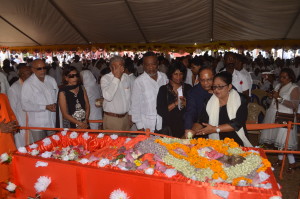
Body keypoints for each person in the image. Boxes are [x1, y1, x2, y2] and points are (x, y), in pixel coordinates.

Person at [185, 71, 252, 147]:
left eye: (220, 87)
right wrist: (193, 131)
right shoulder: (209, 101)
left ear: (229, 86)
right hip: (217, 144)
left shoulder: (240, 99)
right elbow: (201, 121)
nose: (216, 90)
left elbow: (237, 123)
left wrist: (215, 129)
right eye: (214, 87)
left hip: (237, 143)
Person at [259, 68, 299, 172]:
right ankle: (280, 160)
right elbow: (272, 101)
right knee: (278, 140)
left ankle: (292, 163)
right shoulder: (278, 85)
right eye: (281, 76)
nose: (282, 79)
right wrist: (271, 96)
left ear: (290, 77)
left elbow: (294, 105)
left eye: (284, 77)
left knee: (285, 141)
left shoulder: (294, 88)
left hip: (286, 116)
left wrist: (279, 98)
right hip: (274, 114)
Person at [21, 59, 58, 142]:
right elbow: (25, 105)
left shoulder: (51, 80)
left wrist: (55, 104)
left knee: (54, 147)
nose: (43, 70)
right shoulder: (28, 84)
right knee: (40, 148)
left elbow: (57, 96)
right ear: (32, 69)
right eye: (39, 68)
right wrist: (45, 107)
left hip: (52, 122)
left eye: (44, 68)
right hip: (38, 124)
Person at [130, 52, 168, 132]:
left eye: (153, 64)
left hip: (164, 121)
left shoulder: (164, 77)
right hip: (147, 125)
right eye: (147, 65)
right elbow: (135, 105)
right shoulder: (139, 81)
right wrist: (139, 126)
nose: (151, 67)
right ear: (143, 65)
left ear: (157, 64)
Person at [157, 62, 192, 137]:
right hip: (169, 128)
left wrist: (186, 104)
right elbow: (160, 111)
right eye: (175, 74)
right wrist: (176, 103)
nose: (179, 77)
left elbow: (194, 109)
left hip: (185, 127)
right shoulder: (163, 90)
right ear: (170, 74)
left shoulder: (188, 88)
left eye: (181, 74)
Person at [101, 56, 131, 131]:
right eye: (116, 67)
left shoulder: (126, 77)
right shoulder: (105, 78)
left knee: (126, 141)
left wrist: (130, 114)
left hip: (125, 118)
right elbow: (108, 96)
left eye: (120, 66)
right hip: (112, 119)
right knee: (113, 142)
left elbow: (129, 98)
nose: (119, 69)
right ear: (111, 68)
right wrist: (116, 78)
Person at [8, 65, 33, 147]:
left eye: (30, 73)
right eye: (28, 73)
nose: (31, 75)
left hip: (33, 120)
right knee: (22, 144)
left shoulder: (32, 85)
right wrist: (16, 124)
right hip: (21, 121)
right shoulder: (14, 88)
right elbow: (12, 108)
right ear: (22, 75)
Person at [0, 93, 18, 198]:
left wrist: (13, 125)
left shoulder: (3, 97)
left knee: (10, 180)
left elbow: (11, 117)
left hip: (7, 145)